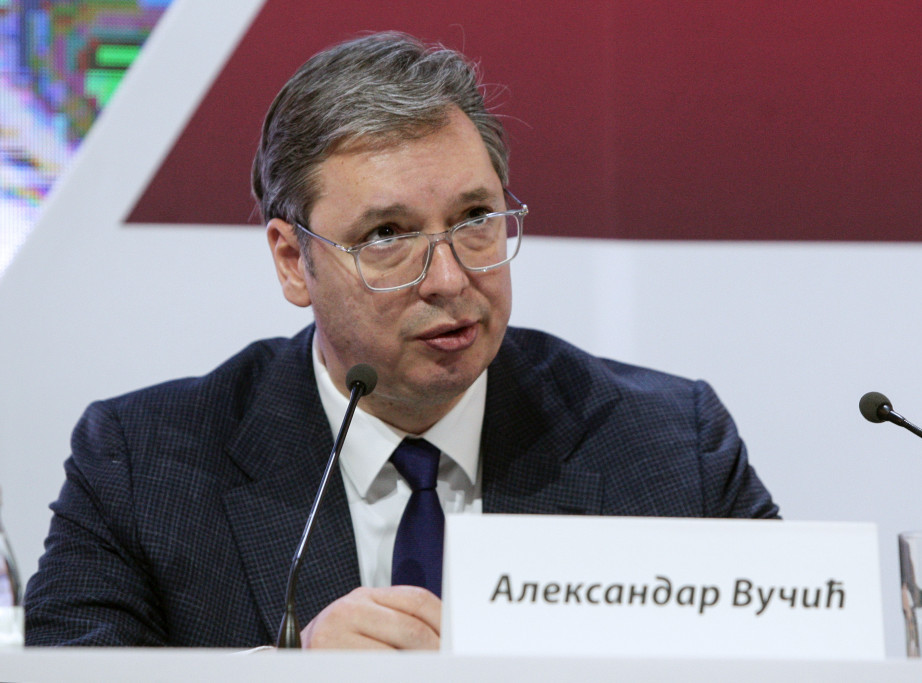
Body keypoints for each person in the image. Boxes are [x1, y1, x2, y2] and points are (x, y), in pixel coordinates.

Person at [24, 31, 779, 649]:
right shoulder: (143, 466)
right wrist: (281, 677)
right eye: (387, 235)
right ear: (292, 260)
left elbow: (794, 660)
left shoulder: (668, 448)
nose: (449, 278)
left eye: (476, 219)